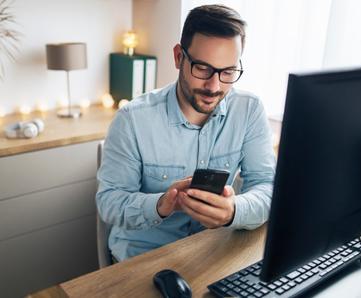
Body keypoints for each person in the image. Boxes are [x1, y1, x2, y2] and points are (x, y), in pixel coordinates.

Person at [96, 4, 276, 262]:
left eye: (227, 72)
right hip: (143, 259)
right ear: (179, 57)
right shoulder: (132, 120)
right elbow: (109, 203)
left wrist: (234, 211)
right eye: (202, 68)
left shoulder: (249, 110)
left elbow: (267, 185)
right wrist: (161, 205)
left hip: (213, 254)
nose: (214, 86)